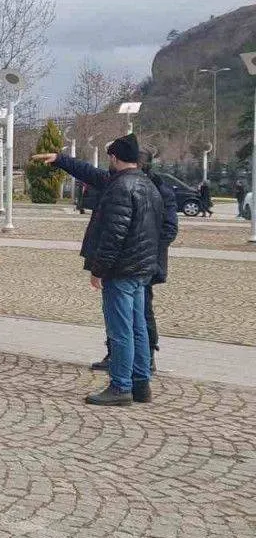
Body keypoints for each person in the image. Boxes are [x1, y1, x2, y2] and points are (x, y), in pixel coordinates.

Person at [39, 135, 162, 405]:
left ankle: (120, 387)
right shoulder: (148, 185)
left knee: (121, 331)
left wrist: (99, 270)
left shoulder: (120, 188)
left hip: (121, 270)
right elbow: (159, 230)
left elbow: (113, 235)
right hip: (142, 268)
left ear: (115, 158)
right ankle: (141, 385)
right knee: (138, 327)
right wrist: (60, 159)